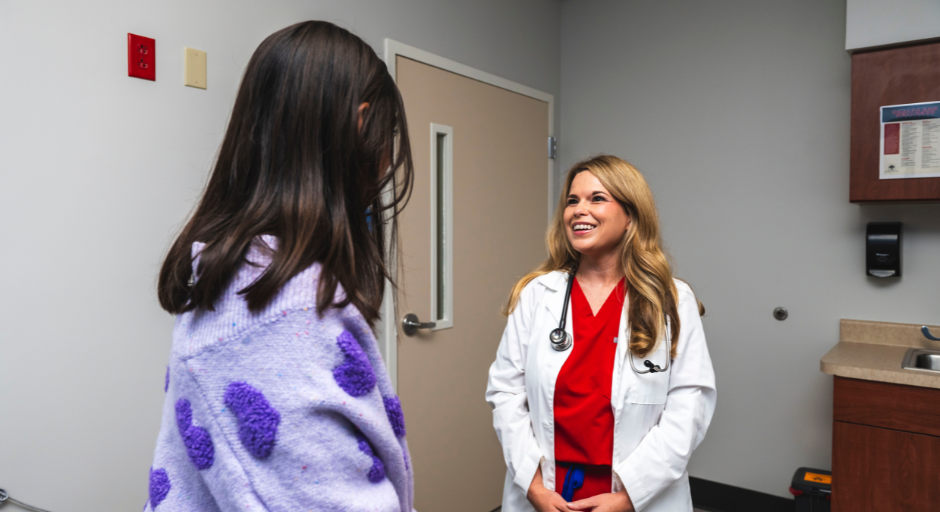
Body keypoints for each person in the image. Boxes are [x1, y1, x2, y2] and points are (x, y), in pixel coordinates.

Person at [145, 21, 415, 512]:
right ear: (361, 123)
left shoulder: (245, 277)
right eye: (387, 136)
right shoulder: (280, 311)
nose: (386, 160)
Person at [486, 155, 716, 512]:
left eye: (596, 198)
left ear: (630, 216)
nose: (579, 210)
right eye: (572, 201)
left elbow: (689, 407)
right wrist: (535, 490)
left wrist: (628, 499)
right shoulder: (537, 294)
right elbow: (505, 392)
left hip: (634, 490)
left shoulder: (671, 299)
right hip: (550, 490)